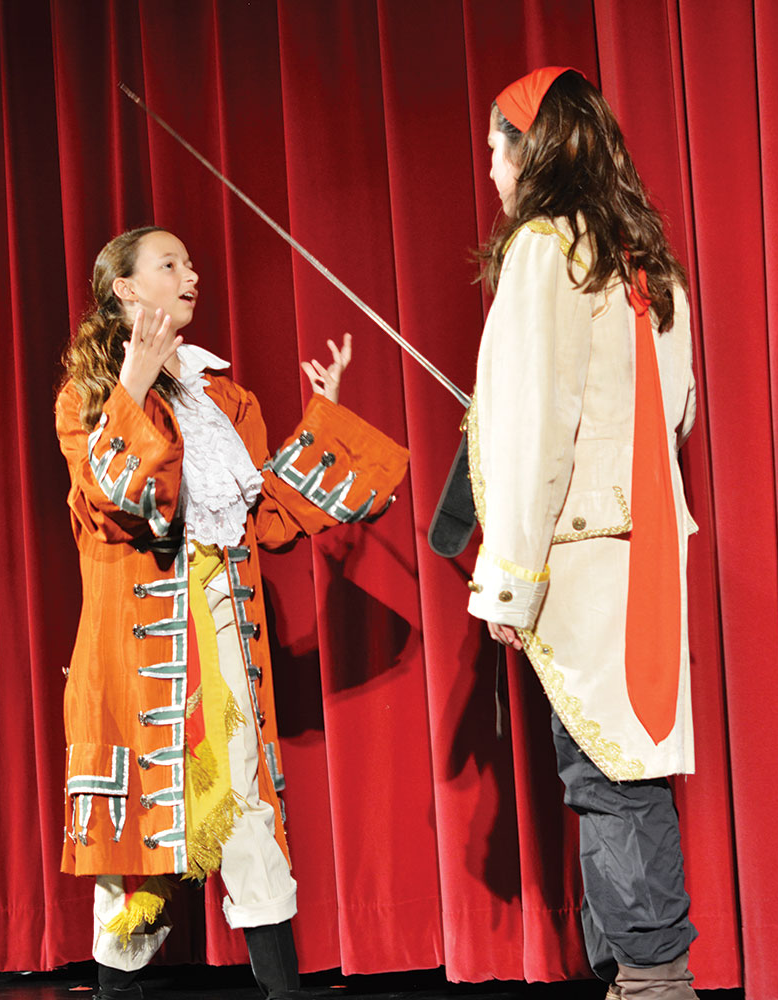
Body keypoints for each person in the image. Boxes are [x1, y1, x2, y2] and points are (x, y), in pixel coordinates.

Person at [55, 227, 408, 1000]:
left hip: (221, 629)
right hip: (136, 647)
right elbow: (128, 499)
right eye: (170, 264)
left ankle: (283, 991)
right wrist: (132, 382)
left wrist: (327, 415)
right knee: (137, 839)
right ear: (126, 290)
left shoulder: (226, 398)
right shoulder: (86, 398)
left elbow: (266, 520)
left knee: (246, 805)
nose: (193, 273)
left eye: (190, 261)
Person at [464, 68, 699, 1000]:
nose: (490, 168)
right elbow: (670, 411)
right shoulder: (646, 257)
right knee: (624, 763)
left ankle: (651, 977)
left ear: (536, 148)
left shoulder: (545, 250)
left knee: (609, 774)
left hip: (583, 554)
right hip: (645, 546)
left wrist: (510, 581)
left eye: (496, 146)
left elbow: (532, 429)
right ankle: (642, 971)